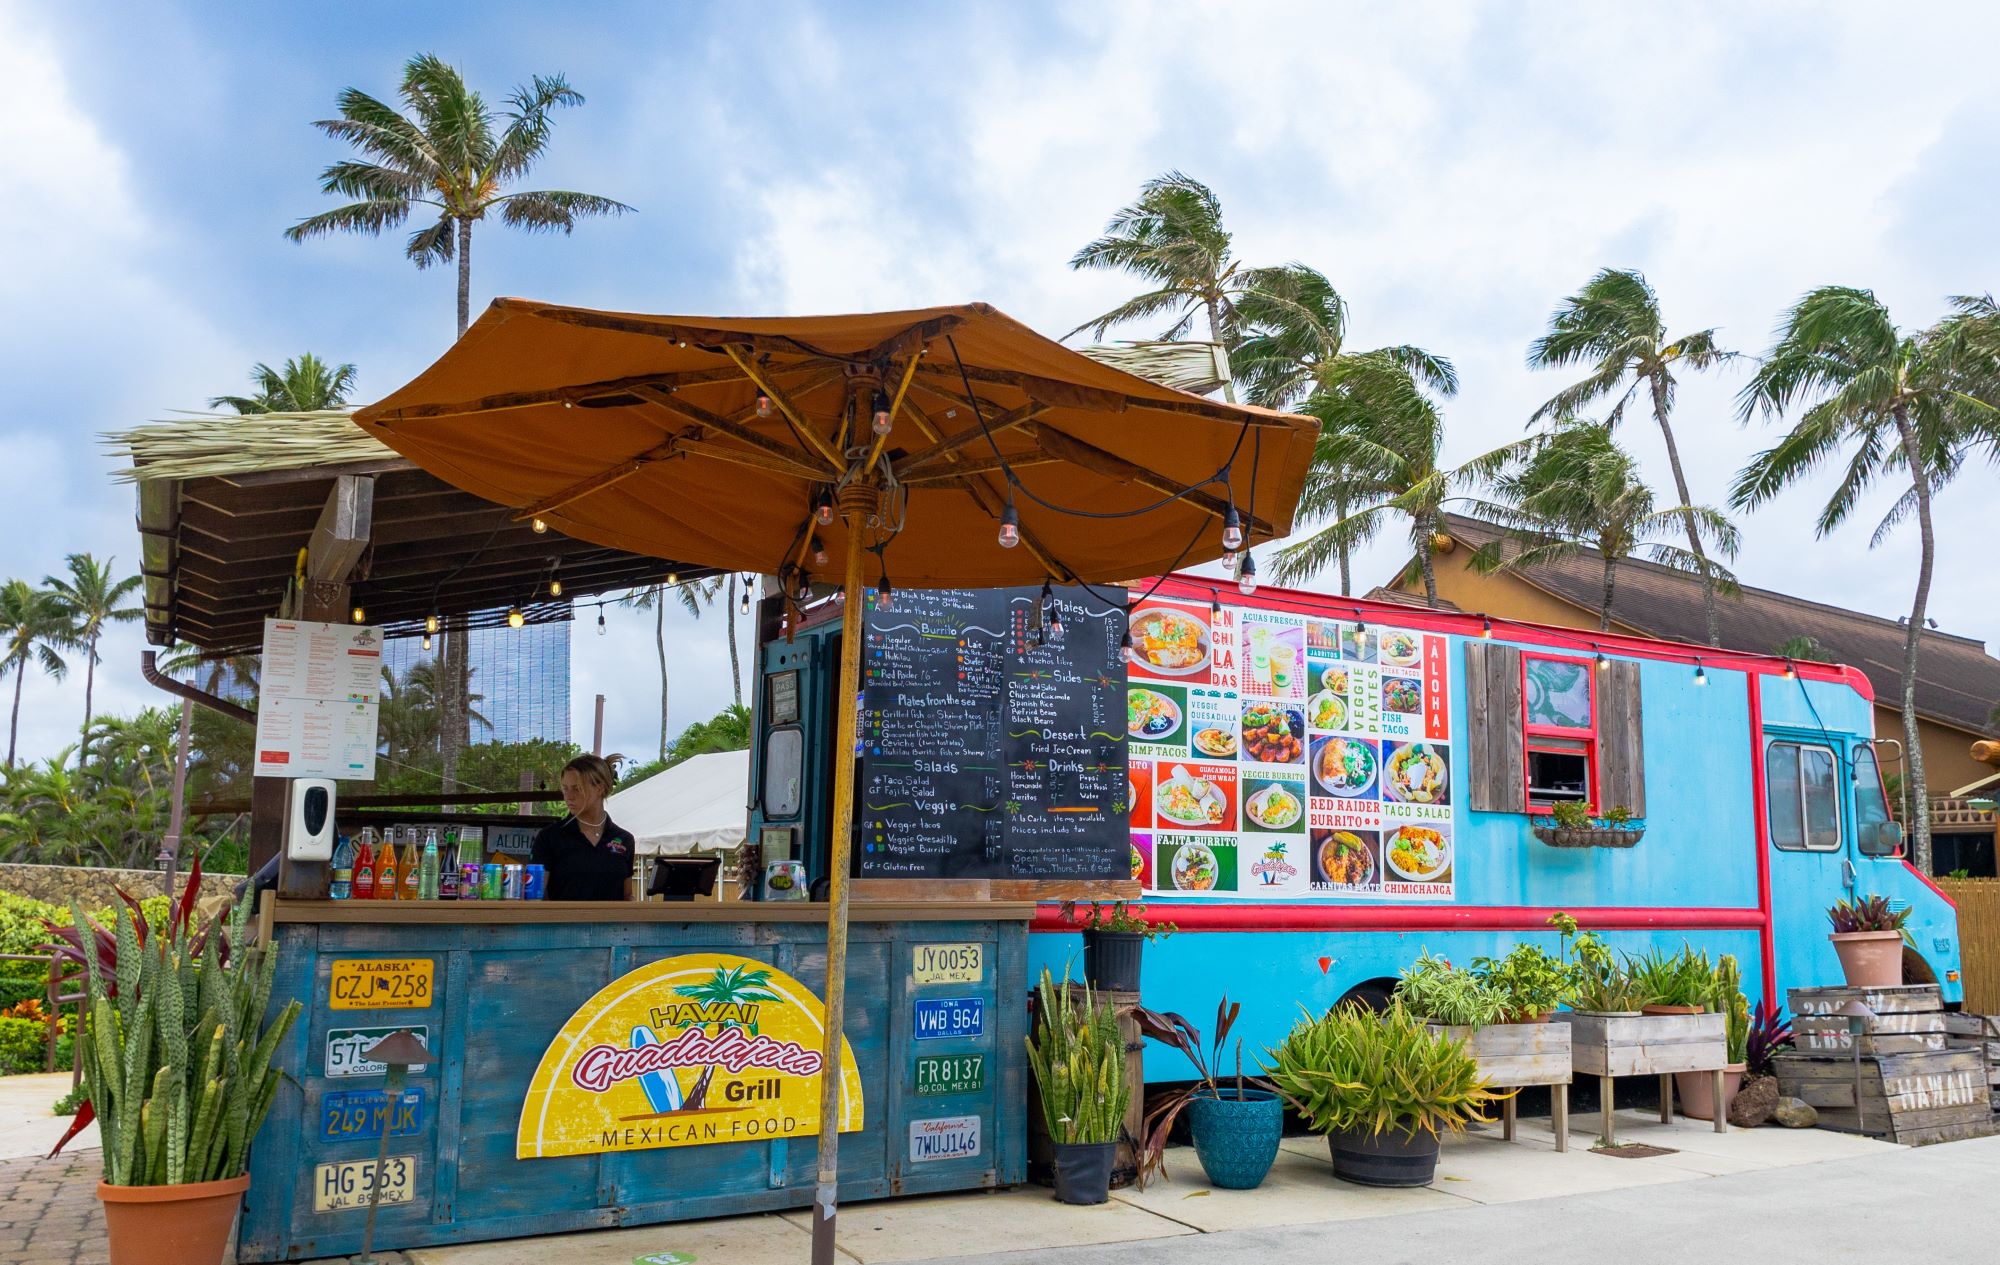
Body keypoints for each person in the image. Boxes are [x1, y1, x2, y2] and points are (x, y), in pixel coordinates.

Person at [531, 754, 636, 901]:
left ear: (599, 788)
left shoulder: (625, 839)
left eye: (577, 788)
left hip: (612, 924)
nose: (568, 796)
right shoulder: (549, 837)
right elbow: (536, 897)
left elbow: (627, 896)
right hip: (561, 923)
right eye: (565, 788)